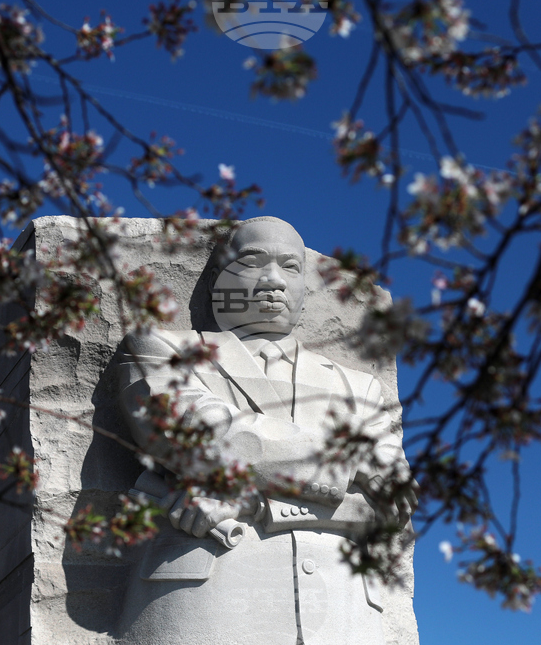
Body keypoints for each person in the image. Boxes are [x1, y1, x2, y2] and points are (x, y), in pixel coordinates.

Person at [114, 216, 415, 645]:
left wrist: (252, 500)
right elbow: (202, 438)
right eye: (253, 261)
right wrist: (347, 463)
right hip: (206, 600)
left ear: (305, 292)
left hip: (346, 613)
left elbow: (393, 503)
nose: (273, 279)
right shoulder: (161, 349)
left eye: (290, 267)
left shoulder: (361, 387)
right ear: (218, 280)